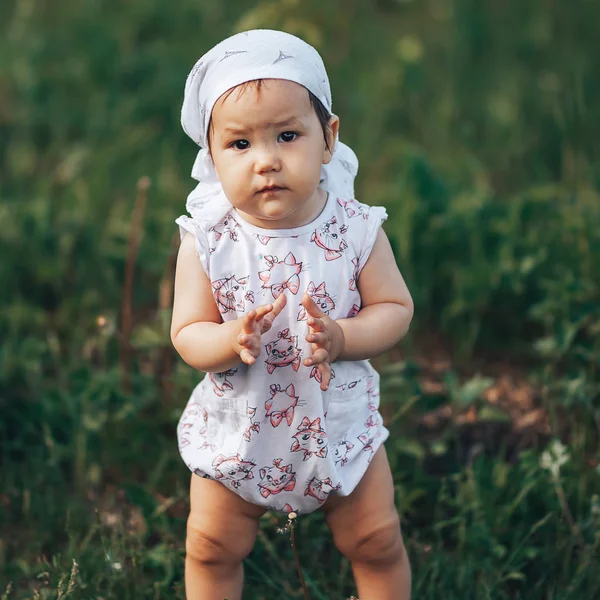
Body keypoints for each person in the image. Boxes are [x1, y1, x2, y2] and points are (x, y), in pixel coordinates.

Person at [171, 29, 414, 600]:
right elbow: (186, 333)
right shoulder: (207, 239)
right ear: (210, 155)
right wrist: (229, 338)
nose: (267, 162)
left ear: (328, 138)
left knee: (377, 541)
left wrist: (343, 335)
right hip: (239, 429)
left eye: (286, 135)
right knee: (211, 547)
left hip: (337, 427)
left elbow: (396, 308)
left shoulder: (355, 228)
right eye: (239, 145)